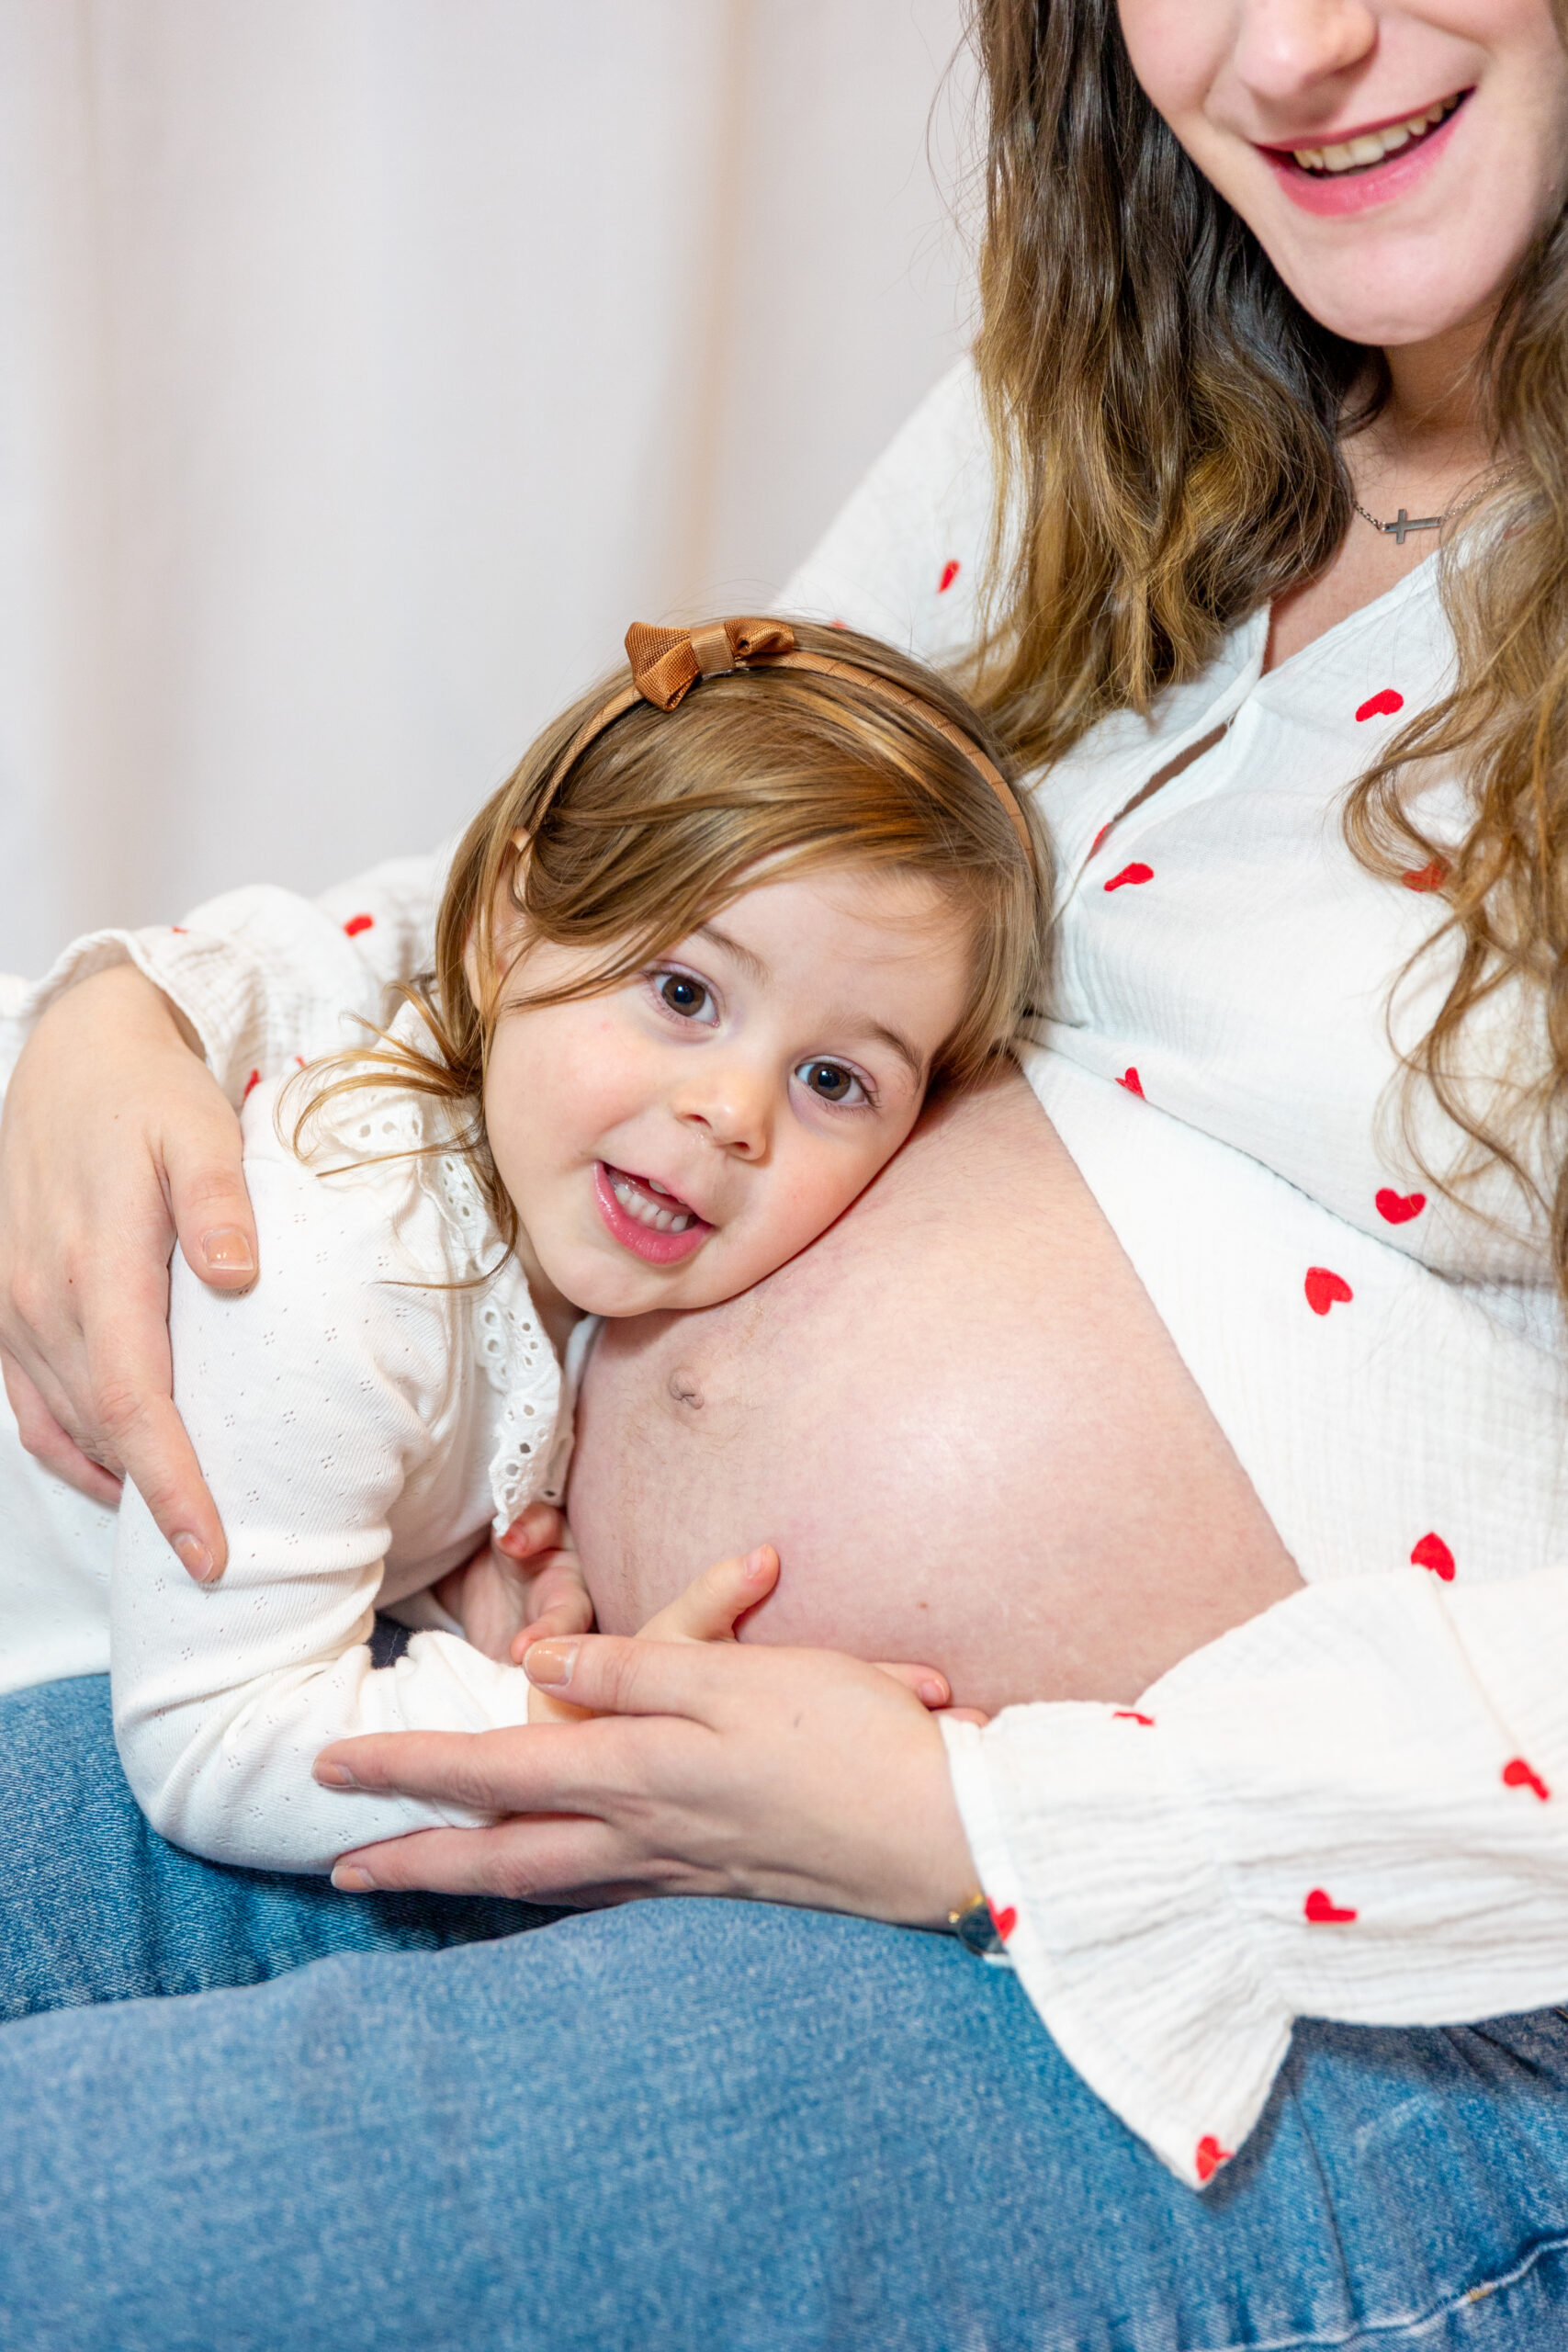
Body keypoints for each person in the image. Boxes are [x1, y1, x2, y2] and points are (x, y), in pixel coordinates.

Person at [5, 1, 1568, 2343]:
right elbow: (664, 880)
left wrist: (992, 1818)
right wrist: (150, 1001)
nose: (1297, 43)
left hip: (1310, 2007)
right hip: (592, 1724)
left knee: (79, 2225)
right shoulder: (1106, 425)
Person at [0, 613, 1043, 1868]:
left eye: (832, 1079)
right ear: (508, 930)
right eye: (684, 994)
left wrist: (441, 1580)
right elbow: (217, 1747)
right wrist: (580, 1720)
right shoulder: (347, 1252)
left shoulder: (529, 1213)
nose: (735, 1112)